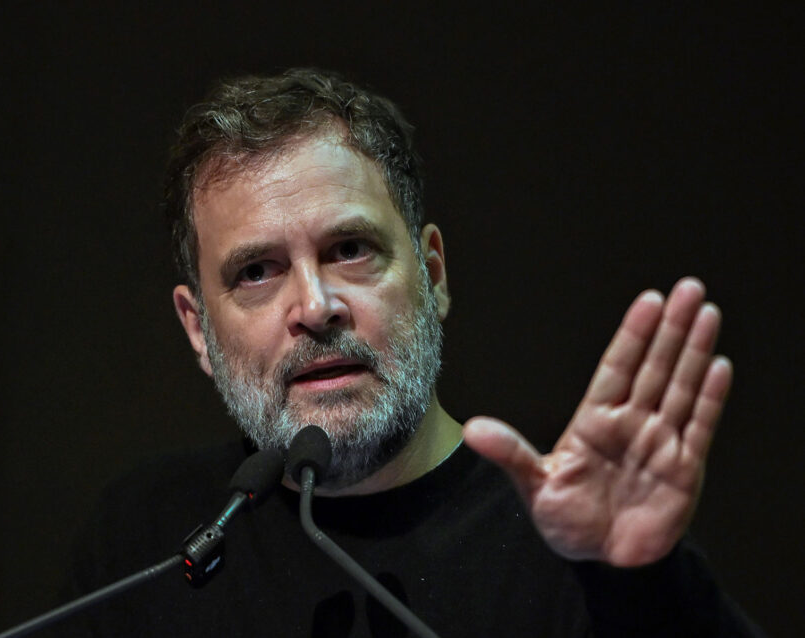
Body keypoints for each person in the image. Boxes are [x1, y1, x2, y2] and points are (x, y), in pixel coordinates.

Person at [66, 68, 765, 636]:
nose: (315, 306)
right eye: (256, 272)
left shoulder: (573, 536)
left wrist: (641, 585)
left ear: (433, 275)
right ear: (198, 330)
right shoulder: (146, 537)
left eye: (349, 249)